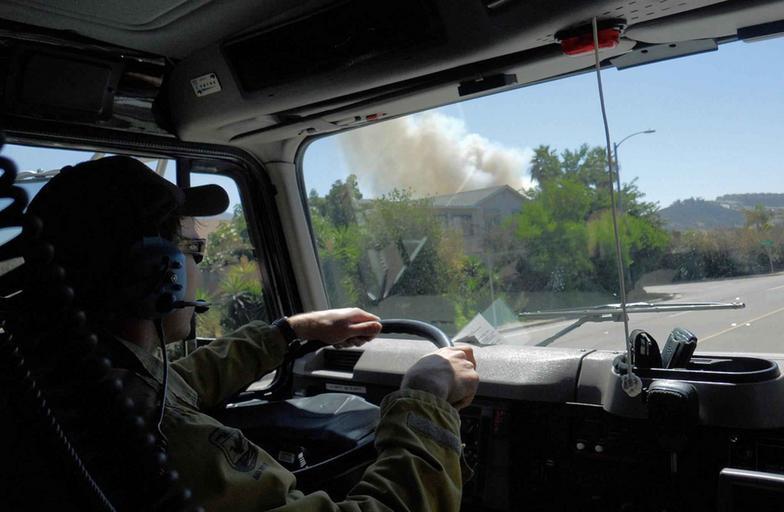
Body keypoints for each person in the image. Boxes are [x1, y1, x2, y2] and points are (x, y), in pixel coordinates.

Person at [25, 155, 480, 511]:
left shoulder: (73, 381)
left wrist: (290, 331)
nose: (196, 266)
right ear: (159, 271)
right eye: (192, 248)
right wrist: (425, 399)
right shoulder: (164, 440)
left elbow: (176, 384)